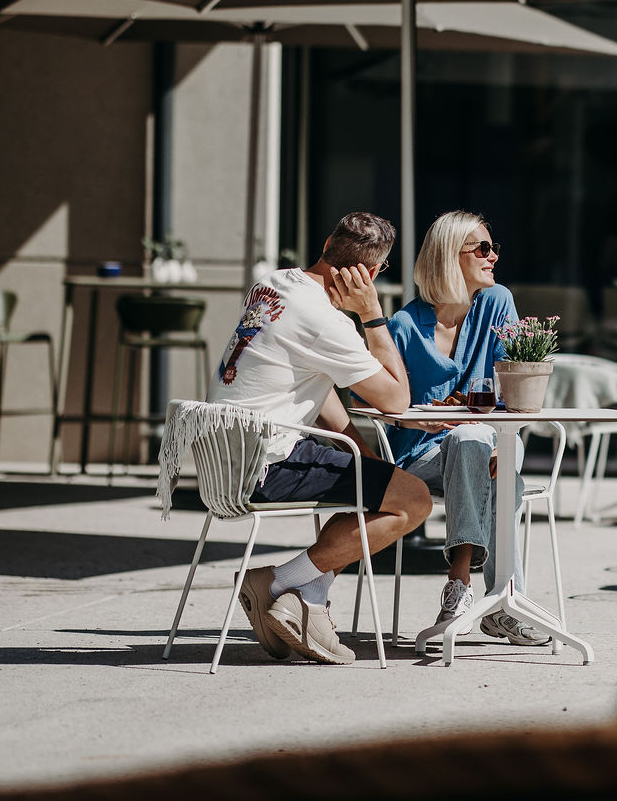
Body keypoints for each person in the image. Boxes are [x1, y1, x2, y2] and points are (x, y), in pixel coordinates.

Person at [214, 212, 431, 665]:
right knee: (414, 501)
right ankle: (279, 582)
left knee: (380, 488)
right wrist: (372, 314)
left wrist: (364, 454)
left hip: (224, 457)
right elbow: (396, 398)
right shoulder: (326, 322)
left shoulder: (273, 282)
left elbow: (316, 384)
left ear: (329, 241)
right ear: (370, 274)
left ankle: (307, 601)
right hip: (265, 465)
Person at [385, 211, 548, 646]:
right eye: (482, 248)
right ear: (447, 258)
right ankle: (500, 602)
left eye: (493, 247)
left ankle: (469, 595)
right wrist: (419, 414)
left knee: (486, 451)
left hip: (482, 445)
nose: (493, 256)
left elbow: (515, 386)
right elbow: (370, 402)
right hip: (418, 457)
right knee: (474, 443)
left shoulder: (497, 303)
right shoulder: (403, 326)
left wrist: (501, 441)